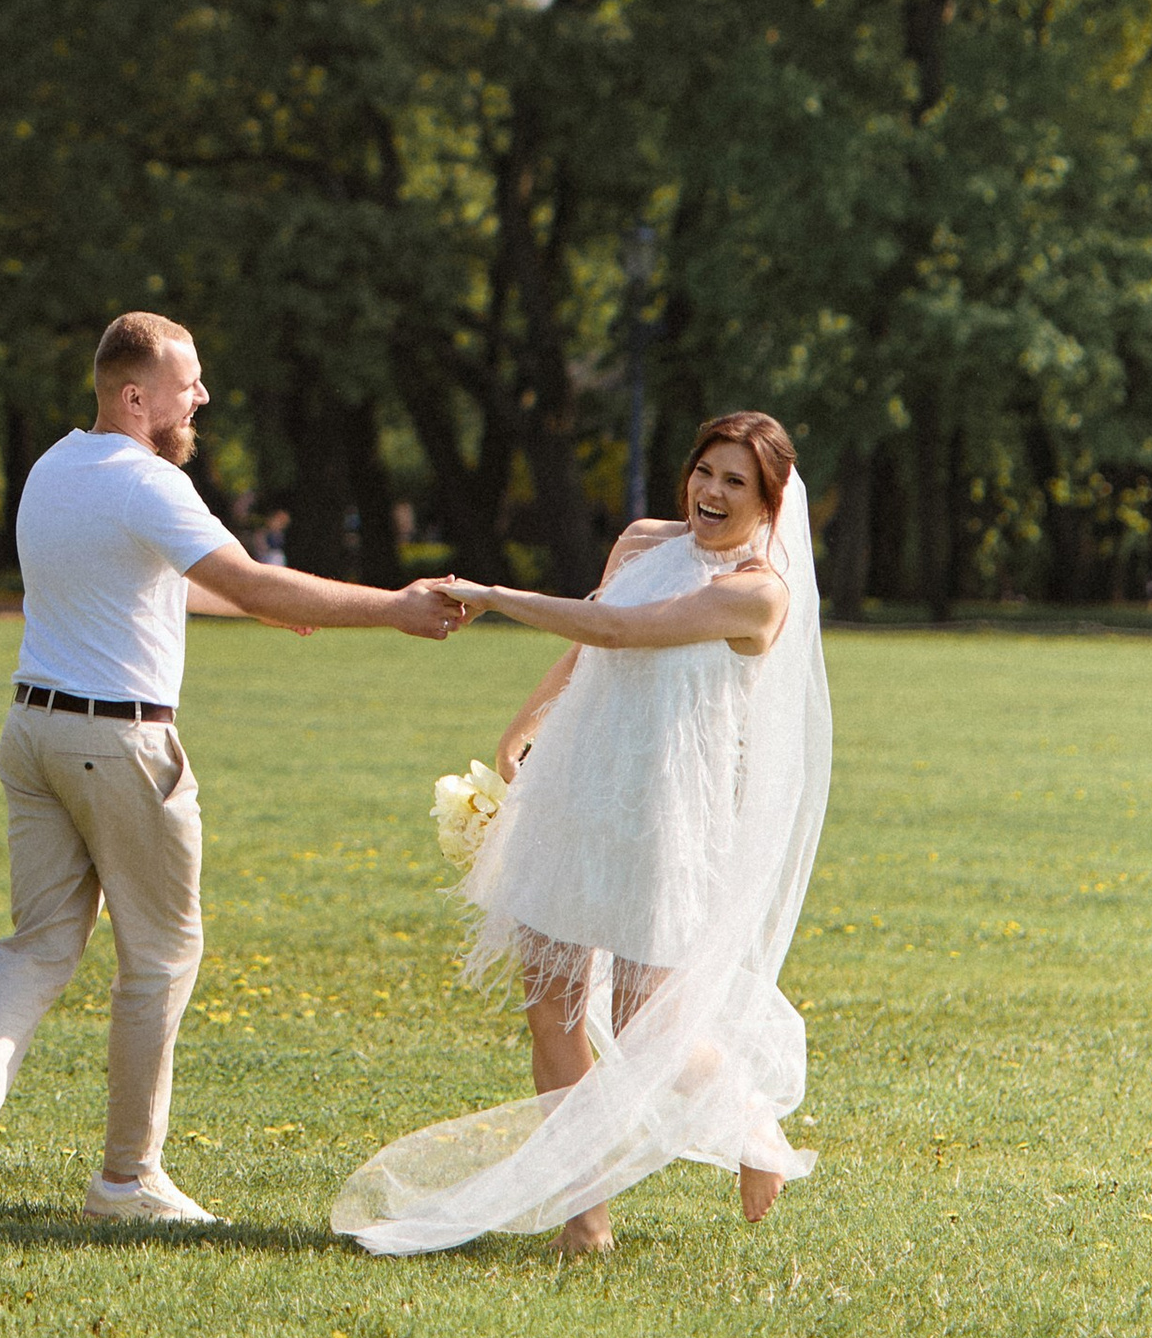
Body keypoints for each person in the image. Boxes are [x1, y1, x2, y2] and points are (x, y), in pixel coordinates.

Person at [0, 312, 461, 1230]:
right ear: (134, 397)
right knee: (159, 958)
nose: (201, 397)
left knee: (37, 949)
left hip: (32, 732)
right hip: (121, 747)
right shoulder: (149, 481)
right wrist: (394, 607)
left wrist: (261, 608)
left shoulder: (54, 467)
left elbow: (146, 579)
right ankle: (127, 1181)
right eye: (187, 384)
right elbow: (248, 578)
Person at [334, 407, 831, 1261]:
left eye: (735, 482)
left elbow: (618, 631)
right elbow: (590, 642)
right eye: (705, 470)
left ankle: (749, 1118)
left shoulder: (756, 594)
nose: (711, 491)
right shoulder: (642, 541)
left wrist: (493, 595)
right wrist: (521, 726)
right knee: (553, 1013)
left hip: (663, 809)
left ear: (770, 503)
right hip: (577, 784)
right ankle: (584, 1218)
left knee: (646, 1021)